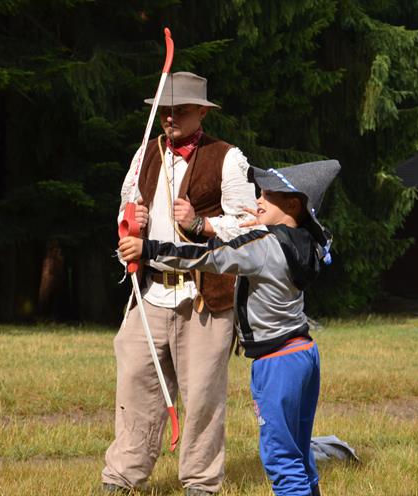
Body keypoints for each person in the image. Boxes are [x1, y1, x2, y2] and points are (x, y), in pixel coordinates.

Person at [118, 160, 341, 496]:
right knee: (299, 454)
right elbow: (305, 231)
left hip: (276, 363)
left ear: (293, 204)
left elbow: (208, 256)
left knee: (281, 459)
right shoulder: (310, 241)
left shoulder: (262, 247)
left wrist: (147, 250)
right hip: (304, 354)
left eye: (268, 195)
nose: (259, 199)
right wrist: (269, 225)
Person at [102, 72, 257, 495]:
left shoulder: (228, 158)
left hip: (204, 298)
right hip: (149, 293)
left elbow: (249, 229)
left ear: (202, 113)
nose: (170, 117)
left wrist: (201, 223)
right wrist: (132, 225)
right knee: (135, 385)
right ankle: (121, 477)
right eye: (165, 110)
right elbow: (124, 212)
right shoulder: (145, 155)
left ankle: (201, 484)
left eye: (180, 110)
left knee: (204, 396)